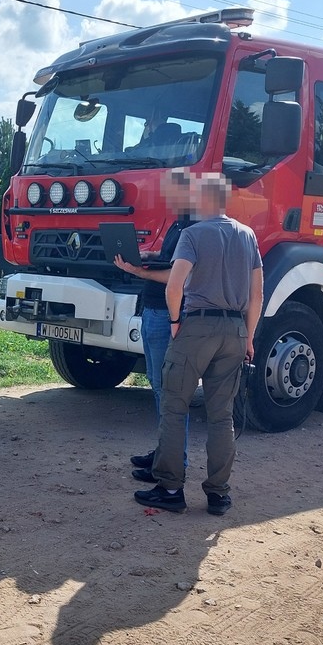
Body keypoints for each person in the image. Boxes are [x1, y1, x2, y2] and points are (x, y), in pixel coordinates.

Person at [133, 170, 263, 516]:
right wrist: (248, 336)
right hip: (235, 330)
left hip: (198, 327)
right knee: (222, 416)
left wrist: (175, 321)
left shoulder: (193, 234)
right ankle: (219, 494)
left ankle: (171, 488)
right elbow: (257, 293)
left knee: (175, 407)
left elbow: (173, 287)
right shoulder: (247, 235)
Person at [112, 168, 195, 471]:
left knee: (168, 390)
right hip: (153, 311)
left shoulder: (192, 228)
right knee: (158, 386)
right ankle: (165, 453)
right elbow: (169, 260)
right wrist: (144, 257)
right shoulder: (178, 225)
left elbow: (179, 276)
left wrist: (139, 272)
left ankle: (174, 461)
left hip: (164, 314)